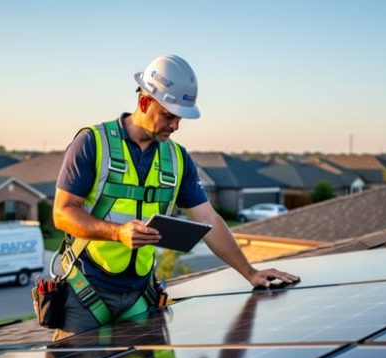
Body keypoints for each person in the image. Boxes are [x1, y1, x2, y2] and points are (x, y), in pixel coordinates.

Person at [52, 54, 299, 338]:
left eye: (180, 118)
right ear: (144, 103)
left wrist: (250, 273)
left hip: (140, 297)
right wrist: (117, 232)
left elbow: (208, 219)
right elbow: (62, 213)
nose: (176, 126)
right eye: (169, 115)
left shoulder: (177, 159)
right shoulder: (93, 144)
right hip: (86, 294)